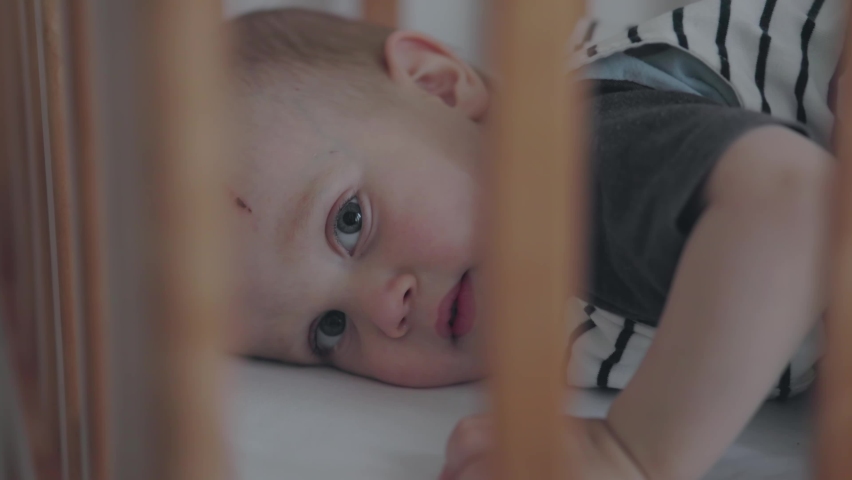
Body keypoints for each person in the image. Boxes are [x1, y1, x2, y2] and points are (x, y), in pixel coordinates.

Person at [227, 1, 842, 478]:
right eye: (327, 330)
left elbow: (797, 204)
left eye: (349, 221)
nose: (384, 310)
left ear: (437, 86)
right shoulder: (549, 328)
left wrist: (632, 453)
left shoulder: (565, 160)